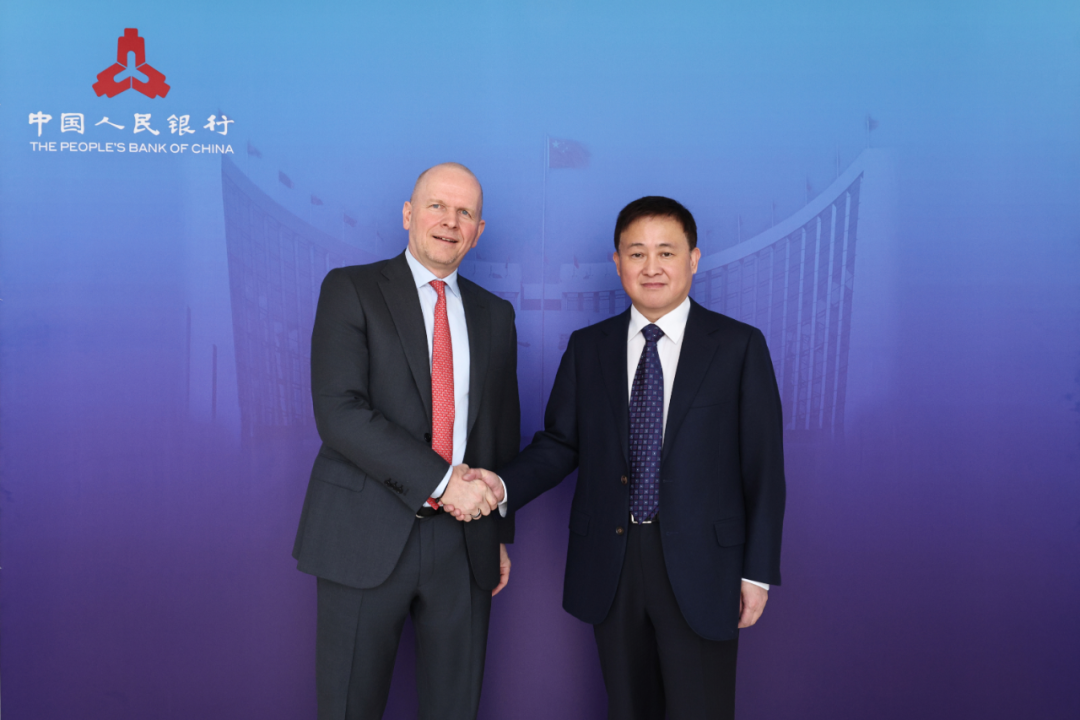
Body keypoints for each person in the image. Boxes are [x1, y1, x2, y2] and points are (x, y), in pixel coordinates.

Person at [463, 196, 785, 719]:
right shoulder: (588, 346)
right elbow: (560, 444)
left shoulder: (738, 346)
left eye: (666, 252)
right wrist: (499, 486)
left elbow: (764, 469)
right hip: (612, 561)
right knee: (628, 708)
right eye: (637, 253)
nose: (651, 267)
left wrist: (757, 572)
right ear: (617, 263)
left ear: (693, 259)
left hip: (706, 564)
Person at [292, 163, 517, 720]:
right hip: (363, 532)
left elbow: (499, 427)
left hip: (464, 543)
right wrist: (443, 482)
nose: (450, 221)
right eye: (437, 206)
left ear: (478, 231)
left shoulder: (496, 314)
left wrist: (497, 531)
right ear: (408, 214)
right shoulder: (351, 289)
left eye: (465, 212)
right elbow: (339, 413)